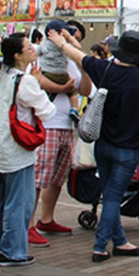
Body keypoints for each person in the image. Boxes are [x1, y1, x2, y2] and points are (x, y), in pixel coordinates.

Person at [48, 28, 139, 262]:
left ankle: (120, 242)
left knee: (109, 192)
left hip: (103, 144)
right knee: (112, 197)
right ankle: (100, 246)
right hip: (129, 148)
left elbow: (79, 57)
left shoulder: (106, 70)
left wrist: (62, 43)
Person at [0, 34, 55, 267]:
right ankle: (12, 251)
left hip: (0, 147)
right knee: (18, 202)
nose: (33, 49)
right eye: (28, 47)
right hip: (18, 149)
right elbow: (47, 111)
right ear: (17, 54)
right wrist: (38, 82)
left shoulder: (3, 75)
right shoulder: (25, 81)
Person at [28, 21, 91, 247]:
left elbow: (84, 90)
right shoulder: (39, 54)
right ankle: (28, 225)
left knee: (57, 177)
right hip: (48, 124)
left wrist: (82, 65)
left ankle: (46, 219)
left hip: (67, 125)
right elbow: (35, 78)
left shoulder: (71, 61)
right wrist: (61, 89)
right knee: (38, 178)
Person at [37, 20, 80, 123]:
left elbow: (36, 53)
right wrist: (69, 39)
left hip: (47, 74)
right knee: (73, 92)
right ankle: (74, 109)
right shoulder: (64, 47)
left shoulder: (44, 45)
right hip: (62, 75)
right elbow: (78, 47)